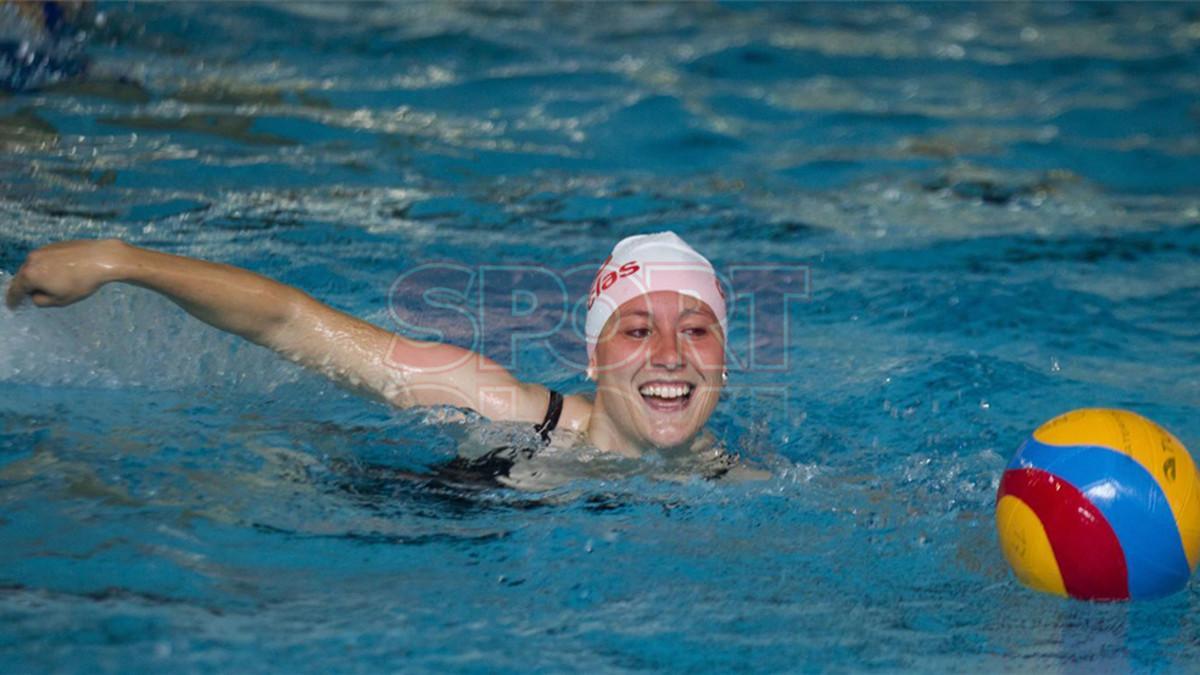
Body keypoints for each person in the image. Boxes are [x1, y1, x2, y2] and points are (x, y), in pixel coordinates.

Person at [4, 232, 741, 485]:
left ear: (727, 362)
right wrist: (119, 261)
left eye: (697, 331)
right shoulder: (505, 408)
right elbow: (294, 322)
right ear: (593, 358)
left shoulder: (747, 483)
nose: (671, 355)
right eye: (638, 330)